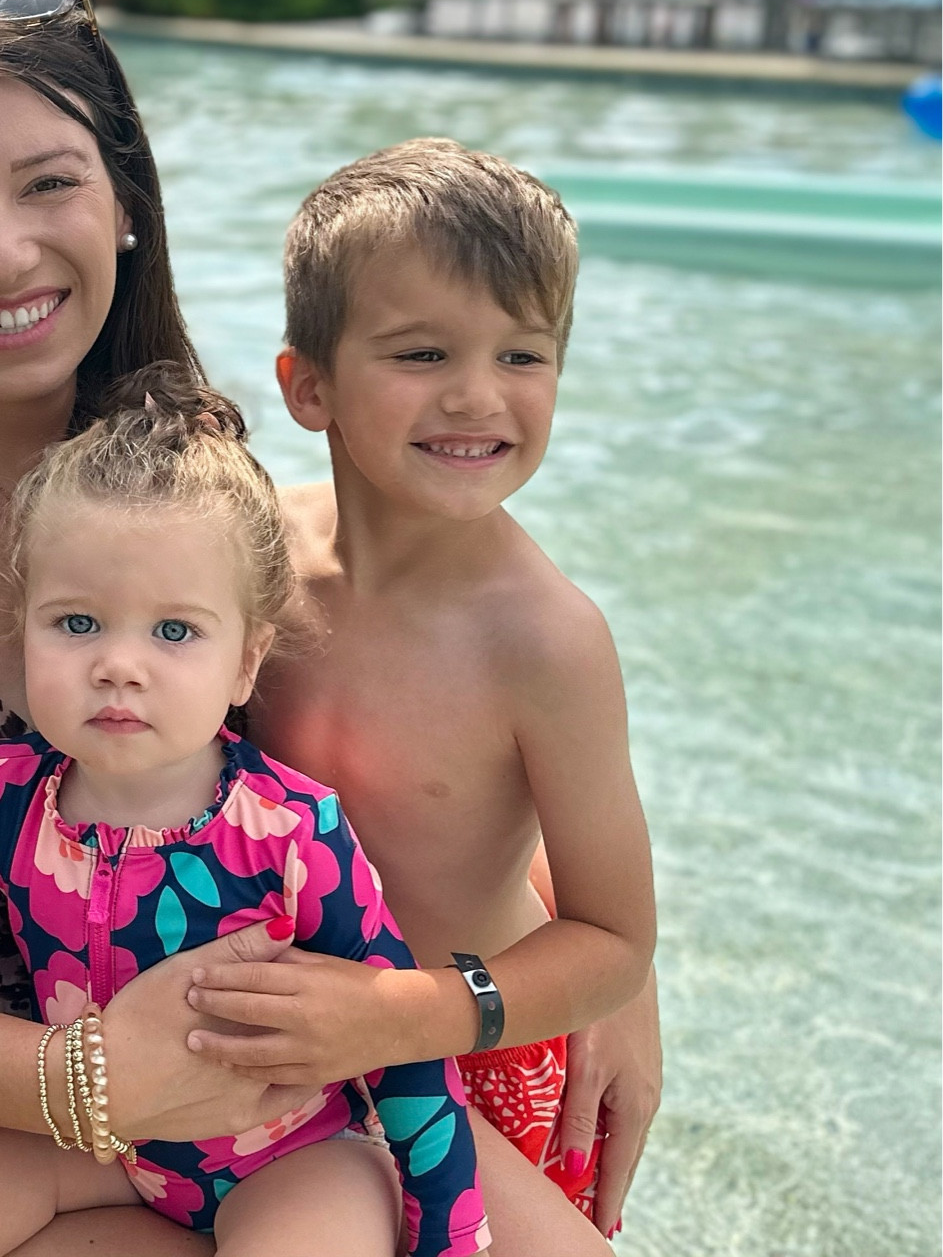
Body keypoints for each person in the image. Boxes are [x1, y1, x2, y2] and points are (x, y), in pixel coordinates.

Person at [0, 0, 657, 1257]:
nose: (0, 250)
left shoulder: (173, 479)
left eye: (48, 182)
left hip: (240, 1096)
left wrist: (579, 972)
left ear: (127, 205)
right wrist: (92, 1077)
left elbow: (413, 761)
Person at [0, 373, 487, 1257]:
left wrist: (449, 1239)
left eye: (173, 632)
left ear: (247, 662)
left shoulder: (294, 834)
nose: (118, 666)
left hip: (289, 1153)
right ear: (21, 626)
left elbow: (399, 1046)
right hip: (113, 1142)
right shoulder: (0, 801)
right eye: (76, 623)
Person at [183, 142, 658, 1248]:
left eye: (522, 353)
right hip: (284, 1042)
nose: (475, 395)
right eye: (421, 351)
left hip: (471, 1046)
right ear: (307, 385)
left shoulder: (544, 640)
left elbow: (613, 936)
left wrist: (400, 1012)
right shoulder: (250, 554)